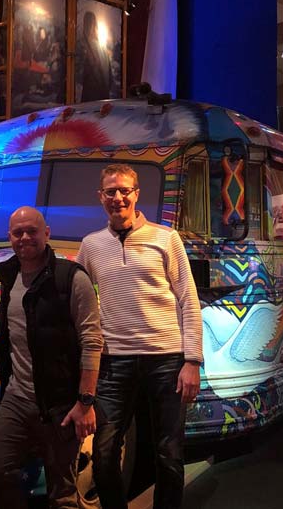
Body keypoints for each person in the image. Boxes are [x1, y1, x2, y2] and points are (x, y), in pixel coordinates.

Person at [75, 164, 203, 509]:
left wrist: (192, 360)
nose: (117, 198)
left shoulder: (166, 238)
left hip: (166, 359)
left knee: (169, 454)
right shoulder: (91, 245)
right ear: (100, 197)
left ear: (136, 194)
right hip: (113, 362)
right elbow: (79, 302)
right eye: (110, 192)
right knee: (103, 453)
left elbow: (189, 299)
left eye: (124, 190)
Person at [0, 206, 103, 509]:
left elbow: (92, 341)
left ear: (47, 234)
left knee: (61, 492)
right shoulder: (8, 277)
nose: (25, 237)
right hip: (16, 398)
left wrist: (85, 402)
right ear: (9, 237)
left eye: (32, 231)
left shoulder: (72, 278)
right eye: (17, 232)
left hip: (60, 403)